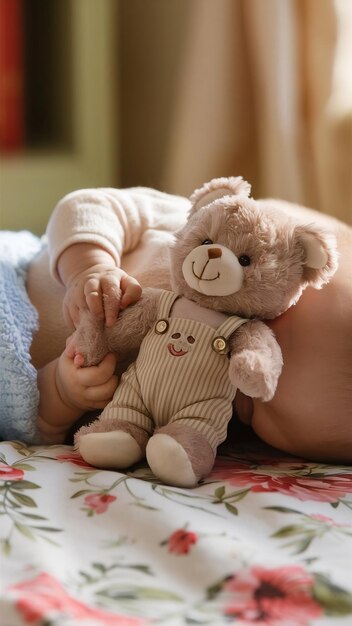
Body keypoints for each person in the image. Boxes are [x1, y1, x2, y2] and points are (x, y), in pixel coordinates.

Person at [3, 184, 352, 462]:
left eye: (246, 408)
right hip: (15, 274)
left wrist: (63, 392)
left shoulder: (191, 407)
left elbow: (38, 423)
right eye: (272, 331)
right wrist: (89, 267)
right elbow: (88, 205)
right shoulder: (206, 227)